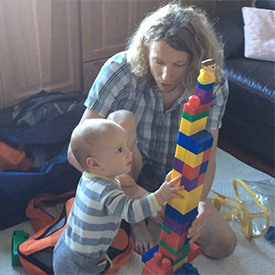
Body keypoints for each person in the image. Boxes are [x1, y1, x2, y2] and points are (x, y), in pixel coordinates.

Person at [68, 2, 237, 258]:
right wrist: (135, 191)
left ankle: (141, 213)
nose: (166, 75)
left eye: (179, 65)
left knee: (224, 245)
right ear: (146, 51)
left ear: (195, 62)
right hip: (124, 172)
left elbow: (207, 156)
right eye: (158, 61)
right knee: (121, 120)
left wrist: (197, 202)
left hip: (172, 177)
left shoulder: (212, 83)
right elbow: (75, 152)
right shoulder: (119, 69)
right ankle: (135, 221)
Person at [53, 118, 184, 274]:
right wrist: (161, 195)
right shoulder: (107, 192)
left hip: (66, 246)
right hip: (82, 262)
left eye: (127, 146)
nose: (129, 154)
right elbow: (132, 212)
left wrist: (118, 179)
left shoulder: (90, 176)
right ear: (95, 164)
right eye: (120, 150)